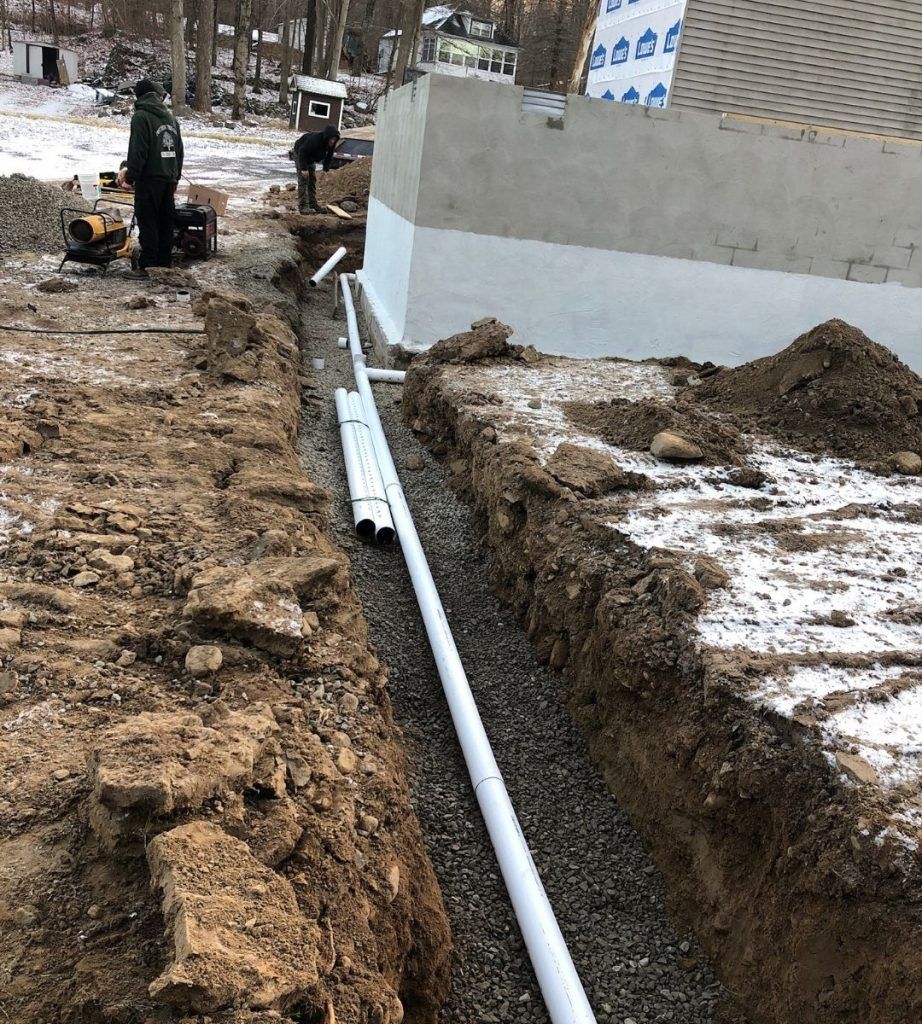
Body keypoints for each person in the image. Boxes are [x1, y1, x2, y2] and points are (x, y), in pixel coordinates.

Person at [118, 79, 184, 277]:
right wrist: (175, 178)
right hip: (168, 180)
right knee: (166, 222)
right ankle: (164, 264)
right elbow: (179, 152)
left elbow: (138, 150)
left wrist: (130, 177)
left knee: (148, 222)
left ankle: (147, 266)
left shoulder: (141, 117)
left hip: (149, 179)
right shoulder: (171, 118)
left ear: (139, 97)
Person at [292, 125, 340, 214]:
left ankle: (313, 204)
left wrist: (325, 169)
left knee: (312, 181)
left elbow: (329, 155)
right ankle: (303, 207)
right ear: (327, 137)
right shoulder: (315, 140)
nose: (332, 141)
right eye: (331, 139)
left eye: (334, 139)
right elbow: (302, 152)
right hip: (301, 154)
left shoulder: (332, 143)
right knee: (304, 180)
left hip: (311, 158)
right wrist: (303, 169)